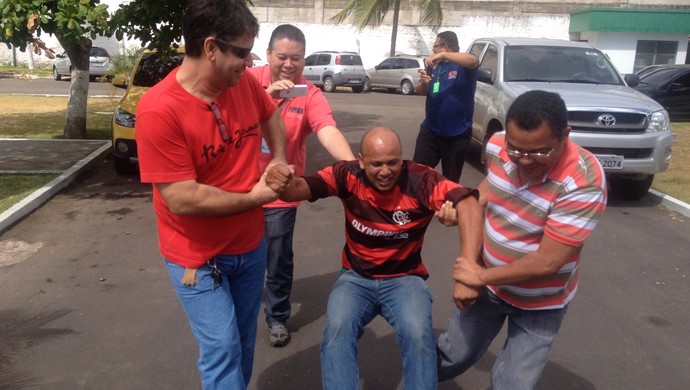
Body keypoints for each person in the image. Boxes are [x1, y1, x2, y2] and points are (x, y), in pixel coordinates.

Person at [134, 0, 292, 388]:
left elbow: (270, 114)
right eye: (241, 52)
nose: (249, 61)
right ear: (210, 48)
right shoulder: (159, 109)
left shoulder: (242, 86)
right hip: (198, 260)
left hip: (249, 248)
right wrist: (256, 198)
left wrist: (279, 159)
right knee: (222, 347)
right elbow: (182, 198)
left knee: (242, 342)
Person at [278, 127, 483, 389]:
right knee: (337, 331)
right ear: (361, 161)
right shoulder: (346, 174)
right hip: (356, 278)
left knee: (418, 334)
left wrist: (468, 273)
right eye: (376, 164)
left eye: (392, 162)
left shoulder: (420, 179)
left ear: (402, 158)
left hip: (405, 279)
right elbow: (296, 189)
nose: (385, 171)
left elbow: (469, 205)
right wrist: (279, 181)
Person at [436, 90, 608, 389]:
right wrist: (464, 210)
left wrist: (477, 276)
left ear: (565, 135)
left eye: (540, 152)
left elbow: (548, 262)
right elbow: (485, 195)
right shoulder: (499, 145)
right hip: (486, 287)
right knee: (453, 355)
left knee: (514, 384)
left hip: (540, 303)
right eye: (517, 150)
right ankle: (418, 378)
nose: (525, 161)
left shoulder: (584, 181)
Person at [247, 24, 355, 348]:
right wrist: (267, 98)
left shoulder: (309, 94)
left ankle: (277, 315)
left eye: (296, 58)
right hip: (238, 190)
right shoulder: (248, 81)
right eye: (282, 57)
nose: (289, 64)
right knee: (238, 256)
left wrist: (353, 169)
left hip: (280, 193)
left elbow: (328, 130)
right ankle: (239, 308)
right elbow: (229, 121)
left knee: (278, 257)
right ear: (268, 55)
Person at [413, 30, 478, 183]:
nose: (433, 50)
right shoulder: (434, 66)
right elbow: (420, 91)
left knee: (450, 182)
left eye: (435, 46)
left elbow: (474, 61)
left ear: (445, 47)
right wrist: (423, 82)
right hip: (431, 131)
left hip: (456, 134)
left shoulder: (462, 65)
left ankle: (445, 207)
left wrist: (443, 56)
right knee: (417, 174)